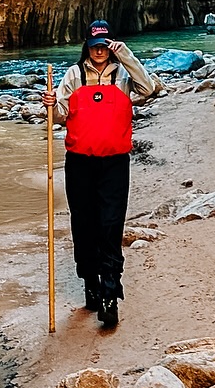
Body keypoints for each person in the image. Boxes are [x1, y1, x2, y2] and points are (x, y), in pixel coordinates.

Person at [48, 21, 161, 328]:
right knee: (83, 223)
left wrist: (126, 55)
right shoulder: (74, 75)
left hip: (114, 162)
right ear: (87, 46)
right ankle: (90, 282)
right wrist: (51, 106)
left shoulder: (123, 74)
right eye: (95, 45)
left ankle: (110, 291)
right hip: (79, 162)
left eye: (104, 45)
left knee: (111, 224)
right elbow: (60, 116)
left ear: (111, 45)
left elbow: (148, 89)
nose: (99, 51)